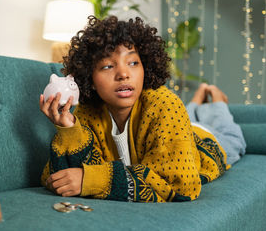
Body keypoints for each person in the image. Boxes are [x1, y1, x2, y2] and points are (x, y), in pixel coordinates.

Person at [39, 15, 232, 202]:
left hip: (207, 140)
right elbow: (58, 179)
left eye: (133, 63)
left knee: (228, 131)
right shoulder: (87, 111)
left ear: (145, 67)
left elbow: (181, 185)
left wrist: (92, 180)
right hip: (178, 127)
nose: (123, 74)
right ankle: (198, 102)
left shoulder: (166, 103)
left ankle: (217, 101)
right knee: (191, 116)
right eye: (107, 66)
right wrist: (69, 131)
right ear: (90, 77)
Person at [186, 83, 246, 165]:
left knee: (232, 141)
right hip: (192, 131)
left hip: (188, 132)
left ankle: (204, 98)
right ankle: (203, 98)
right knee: (232, 140)